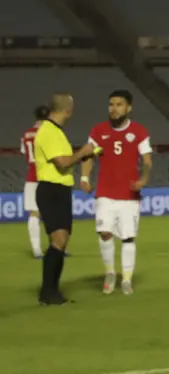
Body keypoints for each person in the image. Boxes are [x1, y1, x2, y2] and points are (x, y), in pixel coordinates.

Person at [79, 89, 152, 296]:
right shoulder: (98, 131)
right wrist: (85, 177)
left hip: (129, 195)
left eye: (119, 104)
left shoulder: (139, 132)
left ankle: (126, 279)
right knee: (104, 233)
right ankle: (110, 273)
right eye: (111, 104)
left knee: (128, 238)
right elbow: (88, 155)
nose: (114, 108)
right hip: (105, 193)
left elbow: (147, 161)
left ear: (128, 108)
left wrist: (143, 180)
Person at [34, 93, 98, 305]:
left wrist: (89, 154)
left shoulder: (56, 131)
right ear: (68, 110)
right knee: (58, 241)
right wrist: (83, 152)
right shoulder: (49, 132)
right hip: (51, 189)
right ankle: (48, 292)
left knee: (61, 242)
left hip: (59, 190)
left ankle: (52, 292)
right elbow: (62, 163)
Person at [21, 105, 50, 259]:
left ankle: (36, 249)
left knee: (34, 213)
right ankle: (57, 247)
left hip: (32, 177)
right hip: (49, 177)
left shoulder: (26, 134)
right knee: (53, 213)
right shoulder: (49, 133)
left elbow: (24, 152)